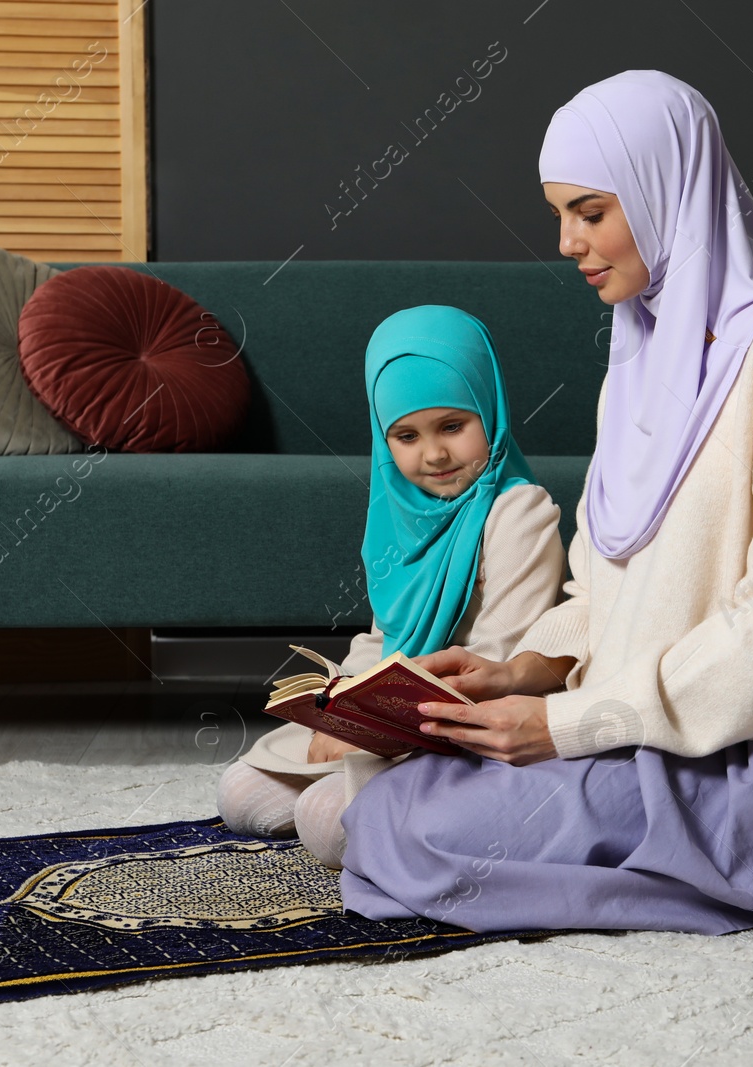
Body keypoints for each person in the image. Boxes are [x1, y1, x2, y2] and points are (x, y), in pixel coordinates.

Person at [338, 71, 753, 933]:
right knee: (398, 795)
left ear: (670, 189)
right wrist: (525, 671)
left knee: (407, 828)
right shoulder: (643, 346)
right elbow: (606, 583)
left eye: (590, 211)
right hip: (644, 735)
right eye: (560, 216)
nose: (567, 243)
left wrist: (565, 724)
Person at [216, 304, 566, 868]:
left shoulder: (519, 511)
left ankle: (429, 814)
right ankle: (376, 795)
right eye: (406, 435)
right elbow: (383, 638)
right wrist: (340, 706)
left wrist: (376, 724)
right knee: (238, 795)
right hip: (392, 715)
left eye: (453, 426)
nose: (433, 454)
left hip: (471, 719)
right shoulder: (398, 514)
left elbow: (500, 656)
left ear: (490, 410)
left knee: (326, 822)